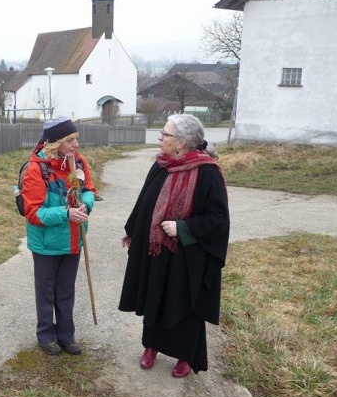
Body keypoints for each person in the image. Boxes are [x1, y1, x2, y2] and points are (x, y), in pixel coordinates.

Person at [118, 114, 229, 378]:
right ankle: (151, 346)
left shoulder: (207, 172)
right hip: (156, 251)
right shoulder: (160, 166)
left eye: (165, 134)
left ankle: (185, 355)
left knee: (183, 302)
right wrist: (133, 229)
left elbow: (218, 218)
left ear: (181, 143)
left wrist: (182, 228)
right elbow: (144, 200)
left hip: (187, 256)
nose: (160, 137)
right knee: (156, 295)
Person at [21, 116, 96, 356]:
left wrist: (85, 205)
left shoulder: (79, 164)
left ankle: (66, 336)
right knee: (46, 292)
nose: (76, 145)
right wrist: (66, 213)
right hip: (45, 245)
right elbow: (33, 213)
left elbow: (89, 191)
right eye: (70, 140)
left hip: (74, 240)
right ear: (54, 143)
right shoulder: (36, 170)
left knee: (66, 291)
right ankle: (46, 335)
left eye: (76, 139)